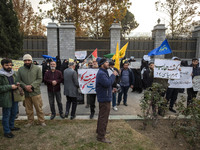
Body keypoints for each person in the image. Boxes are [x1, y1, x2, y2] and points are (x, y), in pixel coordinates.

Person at [18, 54, 46, 127]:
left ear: (31, 60)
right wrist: (25, 86)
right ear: (23, 61)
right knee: (28, 109)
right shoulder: (20, 69)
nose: (27, 62)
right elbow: (18, 80)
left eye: (28, 60)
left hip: (36, 93)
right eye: (25, 60)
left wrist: (31, 86)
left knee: (39, 108)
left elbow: (40, 79)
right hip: (26, 93)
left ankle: (41, 121)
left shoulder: (37, 68)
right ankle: (30, 122)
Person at [96, 58, 118, 143]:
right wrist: (113, 75)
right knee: (104, 117)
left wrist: (111, 89)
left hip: (105, 96)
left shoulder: (103, 72)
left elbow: (106, 85)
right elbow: (107, 83)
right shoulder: (101, 73)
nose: (108, 63)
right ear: (102, 64)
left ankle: (100, 131)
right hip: (104, 98)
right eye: (106, 62)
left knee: (102, 116)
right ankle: (101, 136)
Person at [0, 59, 20, 138]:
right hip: (6, 98)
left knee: (14, 113)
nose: (9, 67)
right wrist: (10, 87)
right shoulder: (1, 75)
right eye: (7, 65)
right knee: (6, 114)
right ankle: (7, 131)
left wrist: (17, 84)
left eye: (10, 65)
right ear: (2, 65)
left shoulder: (13, 74)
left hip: (14, 97)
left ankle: (11, 126)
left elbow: (16, 82)